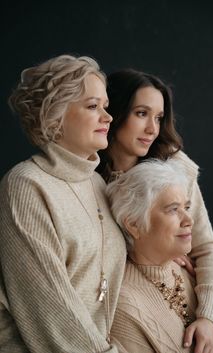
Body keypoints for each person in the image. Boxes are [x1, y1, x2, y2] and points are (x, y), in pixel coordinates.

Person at [96, 68, 213, 346]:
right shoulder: (93, 181)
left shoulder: (174, 167)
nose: (152, 129)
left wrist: (208, 315)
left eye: (158, 118)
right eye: (141, 113)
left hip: (204, 274)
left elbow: (207, 247)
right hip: (143, 287)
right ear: (115, 112)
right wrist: (160, 251)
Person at [0, 55, 126, 352]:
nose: (108, 117)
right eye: (93, 106)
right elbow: (49, 309)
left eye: (105, 107)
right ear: (53, 115)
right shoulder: (26, 185)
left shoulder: (97, 183)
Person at [106, 159, 213, 353]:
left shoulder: (187, 269)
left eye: (187, 207)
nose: (189, 220)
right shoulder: (127, 309)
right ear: (133, 224)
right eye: (173, 210)